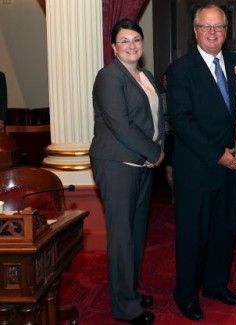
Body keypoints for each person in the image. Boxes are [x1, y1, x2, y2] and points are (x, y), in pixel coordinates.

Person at [166, 4, 236, 321]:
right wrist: (219, 155)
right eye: (206, 26)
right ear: (195, 31)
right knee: (192, 233)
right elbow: (182, 121)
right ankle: (186, 293)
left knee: (224, 229)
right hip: (198, 167)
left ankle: (216, 284)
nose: (212, 32)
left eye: (219, 26)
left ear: (226, 32)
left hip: (233, 166)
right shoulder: (181, 69)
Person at [90, 18, 165, 325]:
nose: (131, 45)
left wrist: (158, 147)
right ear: (113, 47)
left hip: (143, 164)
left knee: (135, 232)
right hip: (117, 164)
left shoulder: (145, 75)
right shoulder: (108, 77)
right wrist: (155, 152)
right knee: (121, 236)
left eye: (136, 39)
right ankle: (124, 306)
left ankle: (129, 291)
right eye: (124, 41)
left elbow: (157, 118)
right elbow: (121, 125)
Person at [160, 72, 175, 203]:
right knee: (168, 169)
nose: (166, 82)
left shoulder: (179, 97)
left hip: (179, 139)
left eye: (168, 79)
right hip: (166, 139)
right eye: (164, 80)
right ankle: (174, 194)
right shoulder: (160, 98)